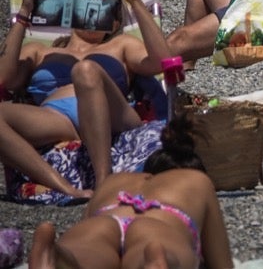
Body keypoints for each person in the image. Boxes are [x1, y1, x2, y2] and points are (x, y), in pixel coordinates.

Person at [0, 0, 175, 198]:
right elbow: (3, 79)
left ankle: (104, 182)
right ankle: (65, 187)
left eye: (103, 7)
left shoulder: (120, 45)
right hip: (57, 119)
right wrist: (24, 11)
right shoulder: (39, 51)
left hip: (113, 114)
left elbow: (165, 61)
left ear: (114, 24)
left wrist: (134, 1)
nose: (91, 11)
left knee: (85, 70)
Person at [24, 110, 234, 269]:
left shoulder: (115, 180)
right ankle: (156, 259)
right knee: (160, 253)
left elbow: (87, 220)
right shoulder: (197, 181)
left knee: (83, 254)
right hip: (158, 227)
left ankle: (59, 256)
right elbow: (221, 263)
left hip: (106, 218)